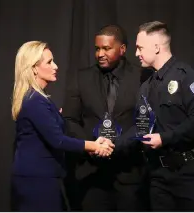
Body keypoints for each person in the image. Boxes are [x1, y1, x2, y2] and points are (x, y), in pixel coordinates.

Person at [11, 41, 114, 212]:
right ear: (34, 68)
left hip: (44, 178)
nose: (56, 66)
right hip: (36, 181)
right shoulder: (35, 101)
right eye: (49, 62)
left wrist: (95, 140)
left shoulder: (40, 99)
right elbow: (58, 140)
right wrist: (94, 146)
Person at [62, 25, 152, 211]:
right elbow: (70, 119)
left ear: (122, 49)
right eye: (97, 49)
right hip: (90, 173)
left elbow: (144, 122)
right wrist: (92, 146)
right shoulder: (82, 77)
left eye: (106, 48)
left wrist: (114, 147)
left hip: (129, 173)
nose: (100, 54)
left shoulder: (142, 77)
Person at [134, 21, 194, 211]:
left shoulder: (188, 78)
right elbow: (141, 125)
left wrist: (164, 138)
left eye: (140, 47)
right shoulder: (147, 86)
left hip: (192, 176)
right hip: (159, 177)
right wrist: (109, 145)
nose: (136, 53)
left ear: (156, 47)